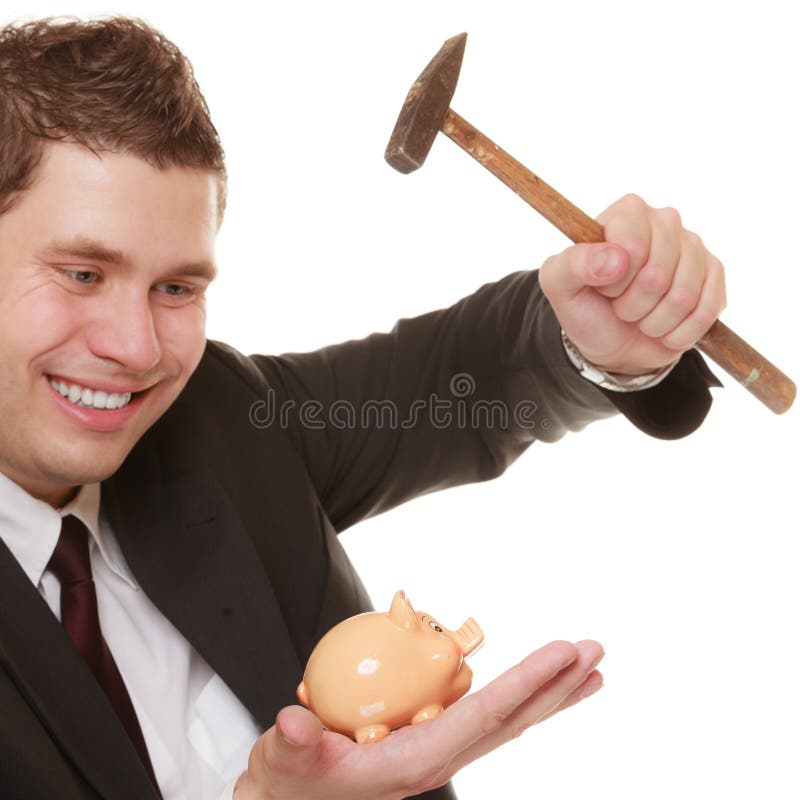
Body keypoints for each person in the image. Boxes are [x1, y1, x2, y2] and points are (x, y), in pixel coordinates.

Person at [0, 16, 723, 800]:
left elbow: (459, 382)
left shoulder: (215, 419)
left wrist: (597, 336)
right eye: (81, 273)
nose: (138, 348)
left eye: (176, 288)